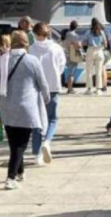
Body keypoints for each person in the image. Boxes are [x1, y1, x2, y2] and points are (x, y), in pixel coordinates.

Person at [0, 31, 50, 190]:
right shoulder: (32, 61)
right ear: (26, 43)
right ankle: (10, 177)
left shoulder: (3, 60)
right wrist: (47, 99)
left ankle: (20, 171)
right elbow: (43, 84)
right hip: (26, 108)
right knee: (20, 145)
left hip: (6, 107)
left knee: (13, 143)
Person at [28, 22, 66, 166]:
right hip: (53, 86)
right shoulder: (56, 48)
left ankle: (37, 154)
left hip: (36, 88)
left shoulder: (31, 49)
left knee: (37, 121)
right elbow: (62, 66)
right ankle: (47, 141)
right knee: (52, 118)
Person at [84, 20, 108, 95]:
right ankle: (98, 89)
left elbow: (84, 42)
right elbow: (106, 44)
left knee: (89, 70)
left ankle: (89, 89)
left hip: (91, 50)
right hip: (100, 50)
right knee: (99, 70)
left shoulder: (88, 32)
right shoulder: (102, 32)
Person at [60, 21, 83, 91]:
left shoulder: (65, 33)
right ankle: (70, 88)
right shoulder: (74, 35)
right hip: (72, 54)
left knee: (64, 71)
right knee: (71, 72)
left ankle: (66, 86)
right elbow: (77, 46)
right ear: (76, 27)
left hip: (65, 53)